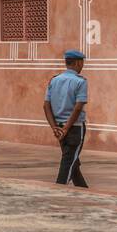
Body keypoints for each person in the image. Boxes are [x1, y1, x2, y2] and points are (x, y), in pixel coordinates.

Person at [44, 49, 89, 188]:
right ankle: (59, 188)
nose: (82, 66)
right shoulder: (80, 82)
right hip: (74, 128)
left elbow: (46, 106)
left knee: (71, 160)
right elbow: (78, 107)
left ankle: (84, 190)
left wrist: (55, 128)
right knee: (68, 162)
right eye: (82, 63)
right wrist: (66, 128)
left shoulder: (54, 80)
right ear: (77, 63)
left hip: (58, 127)